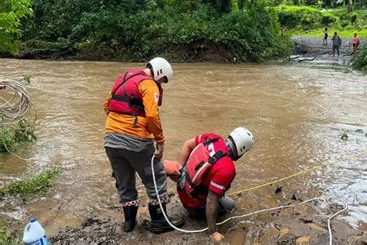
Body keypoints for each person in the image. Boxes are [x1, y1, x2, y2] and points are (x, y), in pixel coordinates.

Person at [103, 57, 184, 233]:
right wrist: (160, 140)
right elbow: (152, 115)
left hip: (110, 139)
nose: (161, 83)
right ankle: (159, 220)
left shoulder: (123, 78)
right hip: (136, 139)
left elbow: (107, 106)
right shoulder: (149, 84)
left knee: (124, 181)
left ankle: (129, 223)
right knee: (156, 176)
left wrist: (117, 129)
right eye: (163, 80)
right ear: (160, 73)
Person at [164, 127, 255, 243]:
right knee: (230, 205)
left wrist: (179, 171)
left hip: (182, 188)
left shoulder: (213, 138)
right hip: (191, 204)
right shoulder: (227, 169)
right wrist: (213, 231)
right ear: (242, 150)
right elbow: (211, 200)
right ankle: (196, 214)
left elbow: (187, 144)